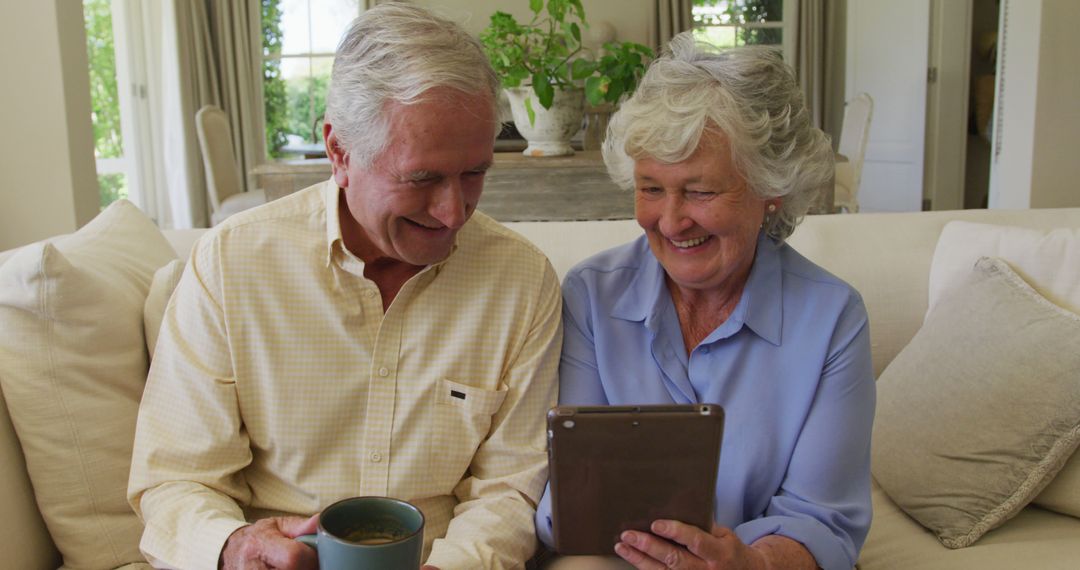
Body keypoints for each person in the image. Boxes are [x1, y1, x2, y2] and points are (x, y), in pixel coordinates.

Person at [127, 4, 562, 569]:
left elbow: (510, 488)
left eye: (475, 173)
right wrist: (234, 546)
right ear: (339, 152)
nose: (455, 212)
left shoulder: (522, 281)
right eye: (423, 179)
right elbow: (175, 478)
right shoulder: (234, 263)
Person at [535, 35, 875, 570]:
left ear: (771, 191)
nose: (670, 222)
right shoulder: (591, 297)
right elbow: (571, 491)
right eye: (651, 189)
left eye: (700, 192)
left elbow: (823, 518)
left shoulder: (832, 318)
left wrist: (751, 563)